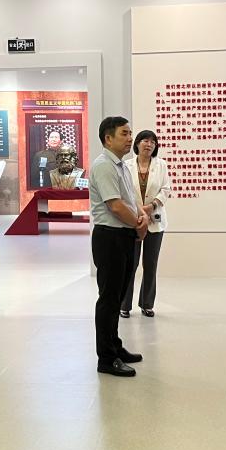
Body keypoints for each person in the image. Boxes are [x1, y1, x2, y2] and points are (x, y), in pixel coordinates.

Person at [89, 116, 148, 377]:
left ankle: (115, 346)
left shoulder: (121, 165)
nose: (130, 138)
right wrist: (138, 225)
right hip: (110, 238)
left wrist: (141, 217)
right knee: (109, 299)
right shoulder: (104, 166)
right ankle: (106, 358)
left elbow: (130, 199)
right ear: (108, 138)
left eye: (130, 133)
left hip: (124, 235)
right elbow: (114, 205)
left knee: (118, 295)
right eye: (124, 133)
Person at [120, 130, 171, 319]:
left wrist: (151, 206)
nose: (149, 144)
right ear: (137, 144)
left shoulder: (161, 165)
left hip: (154, 220)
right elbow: (123, 192)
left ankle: (147, 304)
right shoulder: (126, 165)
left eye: (152, 142)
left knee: (150, 265)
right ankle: (124, 305)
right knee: (130, 264)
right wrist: (138, 210)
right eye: (145, 141)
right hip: (132, 220)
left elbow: (166, 189)